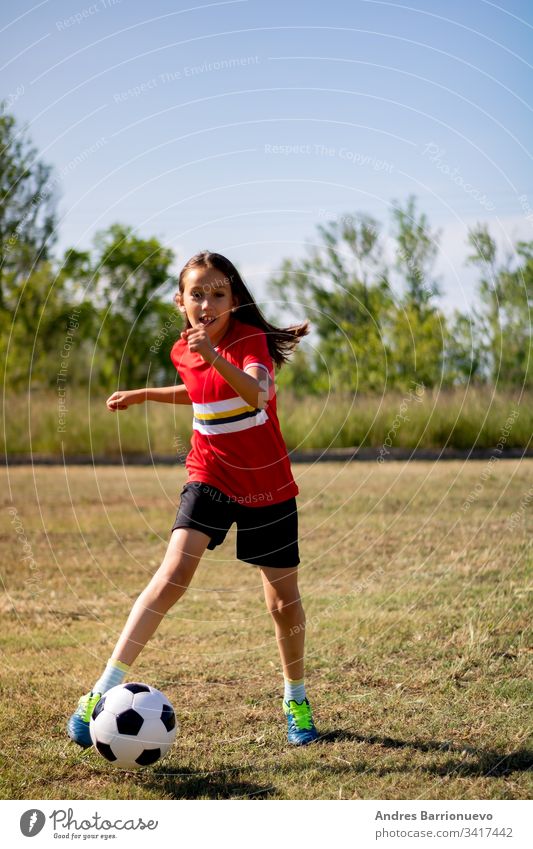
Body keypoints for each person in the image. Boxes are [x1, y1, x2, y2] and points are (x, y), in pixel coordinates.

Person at [67, 251, 319, 748]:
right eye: (196, 294)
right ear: (180, 301)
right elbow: (198, 388)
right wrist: (143, 394)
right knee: (171, 575)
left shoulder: (249, 342)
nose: (207, 303)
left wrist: (214, 354)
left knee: (281, 603)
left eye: (218, 294)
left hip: (266, 483)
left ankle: (296, 698)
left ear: (235, 299)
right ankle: (100, 691)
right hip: (209, 474)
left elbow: (256, 394)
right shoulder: (186, 349)